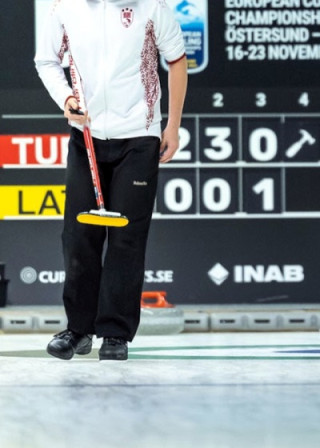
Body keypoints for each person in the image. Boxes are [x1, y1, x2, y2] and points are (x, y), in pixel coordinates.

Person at [34, 0, 188, 361]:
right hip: (85, 134)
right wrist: (67, 98)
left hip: (139, 136)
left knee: (127, 238)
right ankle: (78, 330)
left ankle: (115, 333)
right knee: (78, 235)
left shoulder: (153, 8)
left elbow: (177, 60)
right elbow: (46, 60)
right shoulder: (64, 7)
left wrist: (172, 126)